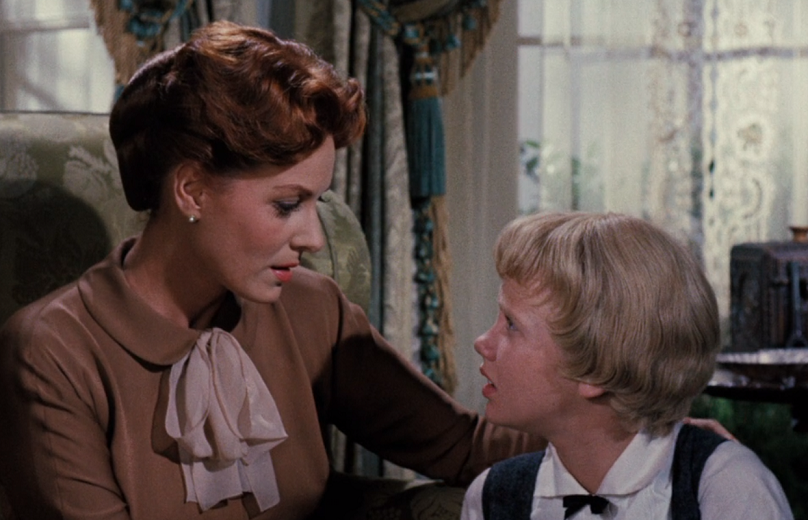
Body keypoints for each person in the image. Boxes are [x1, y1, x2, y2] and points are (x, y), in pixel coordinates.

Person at [0, 21, 538, 520]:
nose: (314, 238)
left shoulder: (313, 310)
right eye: (287, 204)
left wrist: (589, 422)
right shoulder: (52, 351)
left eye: (317, 202)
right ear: (192, 190)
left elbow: (465, 446)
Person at [460, 211, 793, 520]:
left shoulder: (727, 487)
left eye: (512, 325)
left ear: (595, 371)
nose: (482, 342)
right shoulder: (491, 497)